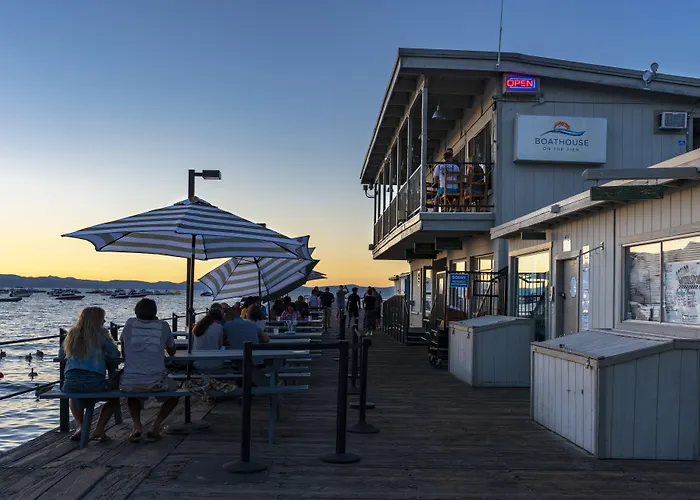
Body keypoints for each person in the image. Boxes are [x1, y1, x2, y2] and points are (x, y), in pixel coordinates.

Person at [120, 299, 178, 443]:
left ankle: (137, 426)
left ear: (136, 311)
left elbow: (124, 350)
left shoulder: (129, 324)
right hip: (156, 380)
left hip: (130, 380)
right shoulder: (163, 325)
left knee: (133, 394)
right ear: (155, 312)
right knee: (176, 393)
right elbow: (172, 351)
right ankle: (156, 426)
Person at [59, 306, 120, 442]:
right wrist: (102, 356)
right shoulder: (101, 334)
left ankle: (80, 426)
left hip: (70, 384)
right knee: (115, 395)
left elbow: (61, 355)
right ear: (98, 319)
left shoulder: (72, 334)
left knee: (73, 396)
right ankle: (99, 429)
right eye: (103, 318)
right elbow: (115, 354)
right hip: (94, 383)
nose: (104, 321)